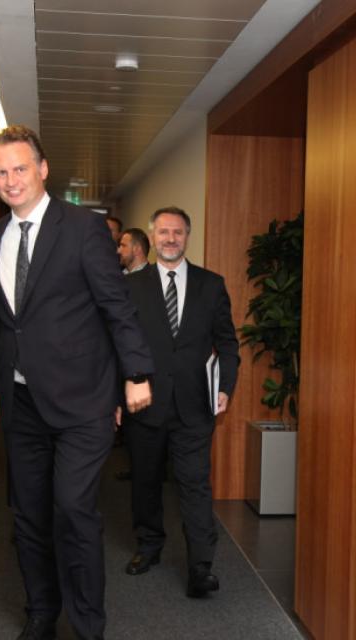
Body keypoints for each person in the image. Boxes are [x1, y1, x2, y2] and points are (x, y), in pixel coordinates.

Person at [0, 125, 154, 640]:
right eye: (1, 172)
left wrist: (136, 374)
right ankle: (41, 611)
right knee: (28, 514)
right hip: (21, 401)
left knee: (74, 508)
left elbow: (115, 305)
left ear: (42, 169)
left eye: (20, 168)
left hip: (82, 401)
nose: (11, 180)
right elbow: (1, 324)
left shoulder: (83, 228)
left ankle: (87, 625)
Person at [123, 206, 240, 598]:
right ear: (153, 238)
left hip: (195, 405)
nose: (170, 238)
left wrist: (225, 386)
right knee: (146, 481)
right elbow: (119, 342)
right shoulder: (132, 286)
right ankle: (149, 545)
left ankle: (201, 566)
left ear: (187, 236)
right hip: (146, 404)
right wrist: (124, 388)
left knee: (195, 484)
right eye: (163, 232)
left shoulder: (212, 285)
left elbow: (227, 343)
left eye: (177, 232)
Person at [114, 227, 151, 478]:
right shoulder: (121, 279)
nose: (118, 250)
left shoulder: (153, 281)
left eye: (123, 245)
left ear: (137, 249)